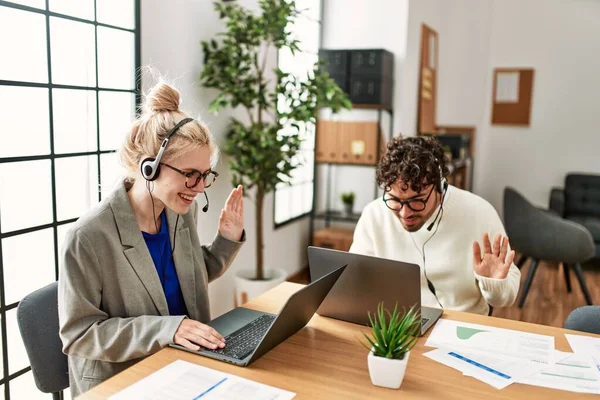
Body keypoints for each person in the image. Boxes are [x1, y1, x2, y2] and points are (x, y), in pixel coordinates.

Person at [58, 81, 245, 396]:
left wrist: (227, 238)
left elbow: (189, 276)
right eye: (189, 174)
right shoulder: (87, 237)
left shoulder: (181, 213)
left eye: (204, 175)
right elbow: (80, 335)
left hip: (182, 367)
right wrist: (168, 329)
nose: (199, 187)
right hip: (123, 380)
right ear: (150, 167)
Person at [350, 136, 520, 315]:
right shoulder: (374, 215)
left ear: (440, 187)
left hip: (461, 325)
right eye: (395, 199)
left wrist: (493, 284)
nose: (404, 213)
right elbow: (356, 280)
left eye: (417, 201)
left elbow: (504, 299)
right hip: (393, 323)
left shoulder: (480, 212)